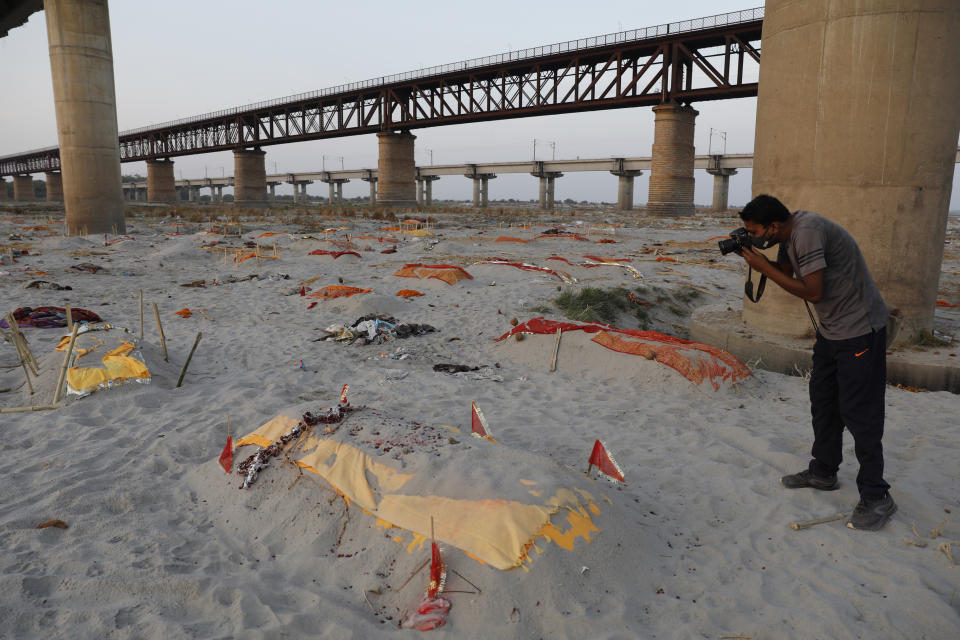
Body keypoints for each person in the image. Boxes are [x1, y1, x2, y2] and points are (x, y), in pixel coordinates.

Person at [736, 194, 896, 531]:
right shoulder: (787, 234)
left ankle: (877, 496)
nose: (752, 236)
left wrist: (762, 268)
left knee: (860, 413)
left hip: (859, 331)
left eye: (754, 231)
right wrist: (754, 257)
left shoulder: (807, 231)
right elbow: (786, 271)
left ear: (773, 225)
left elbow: (813, 292)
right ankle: (823, 472)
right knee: (823, 403)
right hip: (831, 333)